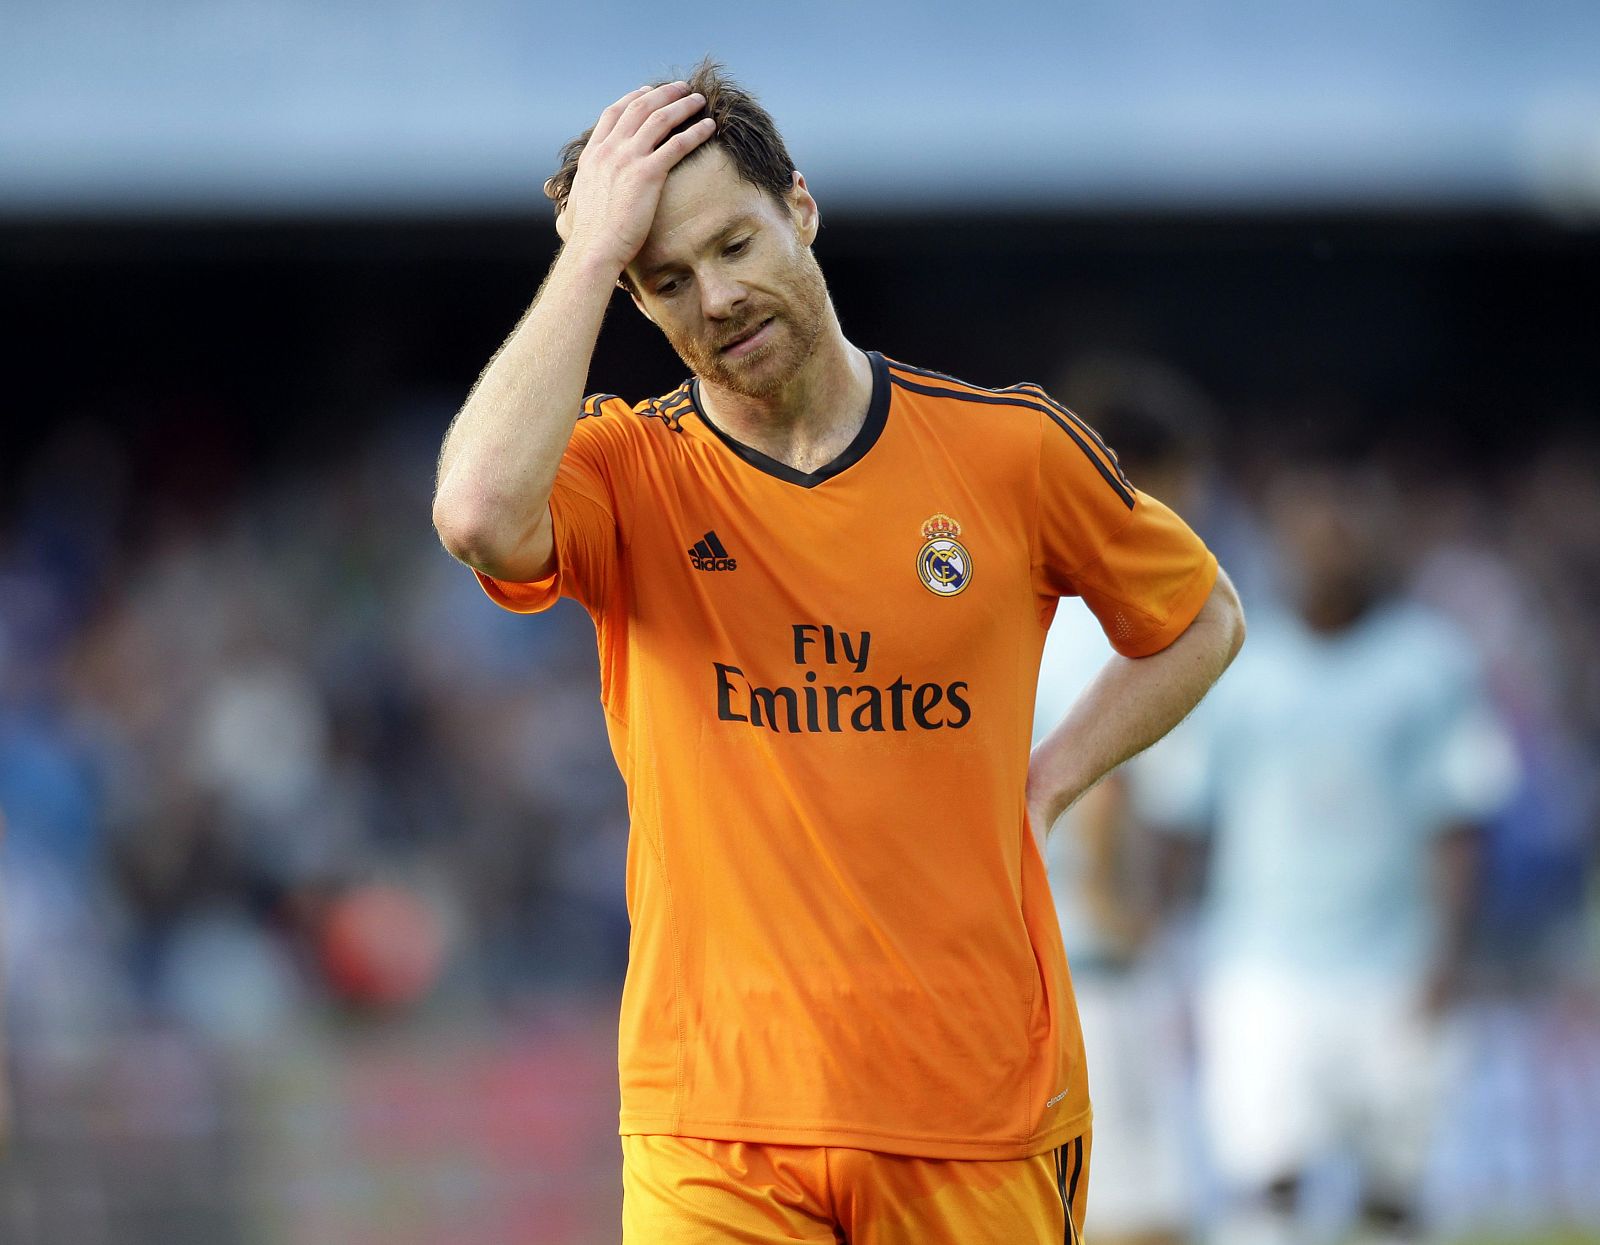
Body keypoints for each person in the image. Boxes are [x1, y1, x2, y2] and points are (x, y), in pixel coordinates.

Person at [431, 61, 1245, 1244]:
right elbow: (475, 516)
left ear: (800, 208)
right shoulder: (629, 474)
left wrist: (1052, 777)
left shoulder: (1010, 453)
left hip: (973, 1101)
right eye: (663, 281)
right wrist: (588, 250)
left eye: (734, 246)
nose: (713, 298)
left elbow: (1201, 617)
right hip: (712, 1116)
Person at [1154, 456, 1517, 1245]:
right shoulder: (1233, 658)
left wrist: (1447, 958)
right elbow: (1186, 817)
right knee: (1264, 1182)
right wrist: (1168, 950)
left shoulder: (1430, 661)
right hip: (1261, 965)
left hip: (1395, 968)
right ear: (1282, 544)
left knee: (1393, 1194)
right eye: (1311, 533)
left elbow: (1458, 817)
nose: (1329, 549)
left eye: (1345, 532)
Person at [1032, 360, 1232, 1245]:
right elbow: (1109, 789)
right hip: (1095, 961)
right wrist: (1128, 923)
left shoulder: (1043, 607)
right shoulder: (1115, 620)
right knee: (1139, 1213)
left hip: (1042, 949)